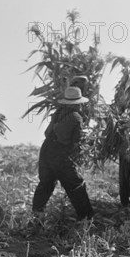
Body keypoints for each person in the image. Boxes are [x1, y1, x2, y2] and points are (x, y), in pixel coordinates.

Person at [32, 86, 94, 220]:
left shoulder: (58, 113)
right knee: (76, 184)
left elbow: (47, 132)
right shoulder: (76, 117)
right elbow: (74, 140)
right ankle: (87, 219)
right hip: (59, 154)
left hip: (46, 150)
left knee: (46, 183)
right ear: (78, 103)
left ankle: (36, 214)